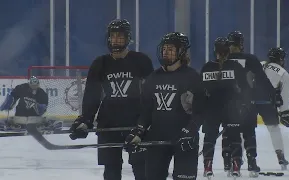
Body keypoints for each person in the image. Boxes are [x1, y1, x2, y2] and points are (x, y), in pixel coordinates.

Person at [68, 19, 154, 180]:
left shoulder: (141, 61)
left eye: (120, 37)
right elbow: (92, 95)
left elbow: (151, 95)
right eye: (113, 36)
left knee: (141, 169)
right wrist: (86, 119)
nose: (116, 40)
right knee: (111, 171)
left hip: (135, 123)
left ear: (128, 38)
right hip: (108, 124)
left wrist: (145, 124)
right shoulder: (100, 63)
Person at [124, 32, 206, 180]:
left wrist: (190, 130)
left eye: (171, 49)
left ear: (181, 51)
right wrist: (139, 132)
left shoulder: (192, 77)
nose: (166, 52)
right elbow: (146, 111)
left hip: (184, 140)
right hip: (157, 139)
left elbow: (201, 111)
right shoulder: (153, 78)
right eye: (164, 48)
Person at [225, 31, 282, 175]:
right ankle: (251, 163)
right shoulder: (250, 59)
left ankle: (231, 164)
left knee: (230, 134)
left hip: (229, 103)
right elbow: (262, 79)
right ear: (241, 44)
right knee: (249, 133)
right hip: (248, 101)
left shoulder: (224, 60)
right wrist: (274, 94)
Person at [201, 37, 251, 177]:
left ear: (214, 51)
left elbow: (200, 91)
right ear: (228, 51)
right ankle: (235, 166)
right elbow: (246, 89)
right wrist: (245, 105)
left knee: (209, 138)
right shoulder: (236, 67)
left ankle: (207, 166)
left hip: (211, 110)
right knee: (234, 138)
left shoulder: (207, 67)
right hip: (231, 109)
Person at [261, 47, 289, 170]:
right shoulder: (284, 73)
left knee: (244, 131)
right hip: (268, 103)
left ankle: (237, 158)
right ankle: (280, 156)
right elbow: (284, 96)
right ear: (281, 59)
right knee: (274, 129)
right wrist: (284, 113)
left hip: (250, 101)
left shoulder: (260, 64)